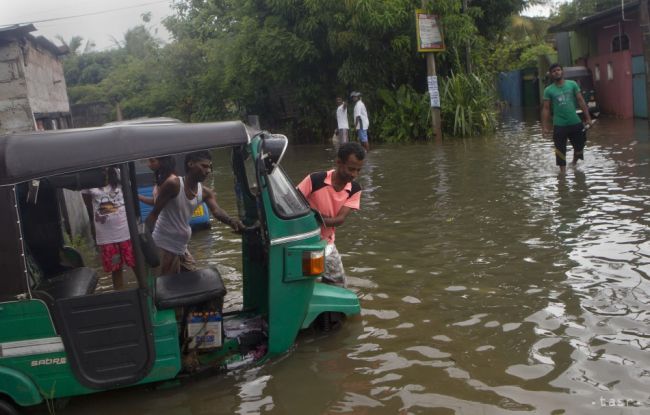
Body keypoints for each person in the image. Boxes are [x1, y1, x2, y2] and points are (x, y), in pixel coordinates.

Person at [146, 151, 244, 275]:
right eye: (204, 166)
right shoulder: (174, 185)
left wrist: (231, 221)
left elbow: (217, 211)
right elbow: (154, 214)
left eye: (209, 167)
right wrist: (145, 245)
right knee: (163, 288)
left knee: (193, 282)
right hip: (163, 245)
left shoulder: (205, 192)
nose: (208, 170)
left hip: (181, 247)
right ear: (191, 164)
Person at [297, 142, 366, 287]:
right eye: (351, 169)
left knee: (338, 285)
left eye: (358, 170)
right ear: (339, 163)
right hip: (309, 243)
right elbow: (292, 203)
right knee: (310, 283)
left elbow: (340, 219)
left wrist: (314, 217)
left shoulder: (354, 189)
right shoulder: (315, 180)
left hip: (327, 243)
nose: (354, 174)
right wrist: (313, 218)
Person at [82, 166, 135, 290]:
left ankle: (144, 293)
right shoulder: (87, 179)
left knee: (135, 263)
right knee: (115, 269)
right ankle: (121, 295)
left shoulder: (119, 173)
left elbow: (129, 197)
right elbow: (89, 206)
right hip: (106, 235)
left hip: (125, 229)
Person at [542, 63, 592, 174]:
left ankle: (574, 163)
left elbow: (581, 101)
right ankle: (563, 175)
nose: (556, 72)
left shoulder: (572, 84)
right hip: (559, 125)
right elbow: (546, 109)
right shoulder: (548, 90)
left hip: (575, 122)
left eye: (558, 70)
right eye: (554, 71)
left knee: (580, 147)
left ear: (562, 71)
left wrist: (588, 118)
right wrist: (545, 126)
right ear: (551, 74)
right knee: (560, 150)